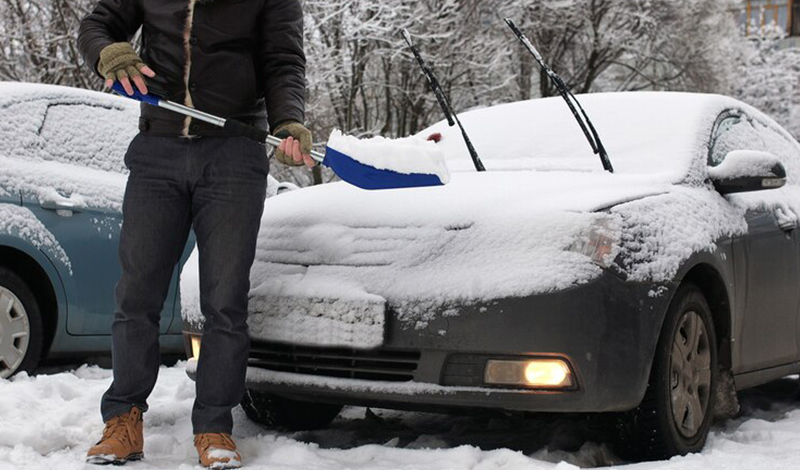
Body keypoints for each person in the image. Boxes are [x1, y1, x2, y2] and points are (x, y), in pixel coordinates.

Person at [77, 0, 313, 467]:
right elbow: (98, 24)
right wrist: (108, 51)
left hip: (235, 151)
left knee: (225, 300)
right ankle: (123, 419)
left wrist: (288, 121)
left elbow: (283, 61)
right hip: (157, 149)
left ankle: (213, 425)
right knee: (136, 294)